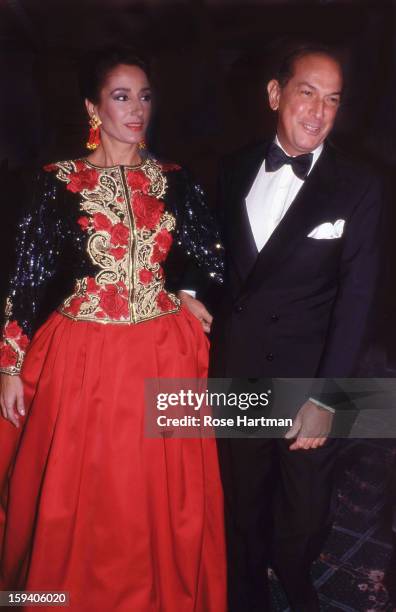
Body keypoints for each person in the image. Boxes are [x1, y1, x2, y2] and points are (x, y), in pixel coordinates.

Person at [0, 46, 226, 612]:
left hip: (160, 349)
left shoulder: (174, 178)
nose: (137, 109)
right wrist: (9, 364)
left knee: (157, 496)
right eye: (121, 96)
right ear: (93, 107)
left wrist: (183, 290)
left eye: (144, 96)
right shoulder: (58, 180)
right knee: (85, 492)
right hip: (86, 354)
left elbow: (212, 256)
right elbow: (26, 274)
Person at [182, 44, 384, 611]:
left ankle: (295, 576)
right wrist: (188, 291)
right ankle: (246, 591)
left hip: (308, 378)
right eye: (307, 93)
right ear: (275, 94)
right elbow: (208, 255)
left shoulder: (360, 185)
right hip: (240, 370)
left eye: (333, 100)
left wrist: (328, 397)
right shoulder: (232, 167)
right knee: (242, 504)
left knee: (304, 506)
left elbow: (358, 302)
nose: (318, 111)